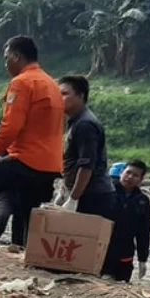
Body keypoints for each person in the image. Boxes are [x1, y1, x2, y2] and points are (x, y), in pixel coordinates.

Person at [0, 36, 63, 245]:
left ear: (16, 56)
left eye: (6, 57)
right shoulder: (51, 83)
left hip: (27, 160)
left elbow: (11, 127)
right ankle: (24, 248)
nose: (5, 63)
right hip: (50, 164)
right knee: (27, 208)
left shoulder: (21, 82)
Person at [55, 75, 115, 219]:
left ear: (81, 96)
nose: (59, 98)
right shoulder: (75, 122)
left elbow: (86, 166)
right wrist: (64, 191)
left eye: (64, 94)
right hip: (82, 193)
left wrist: (73, 199)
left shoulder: (85, 125)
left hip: (92, 197)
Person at [103, 159, 150, 282]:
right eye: (128, 172)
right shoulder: (106, 193)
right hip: (103, 249)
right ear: (121, 173)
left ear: (141, 180)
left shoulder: (143, 201)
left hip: (125, 252)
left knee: (121, 287)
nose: (130, 177)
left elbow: (144, 232)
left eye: (135, 175)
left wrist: (142, 260)